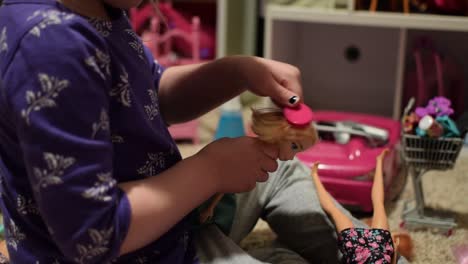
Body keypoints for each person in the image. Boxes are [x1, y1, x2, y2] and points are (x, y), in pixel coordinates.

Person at [0, 0, 408, 263]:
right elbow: (92, 234)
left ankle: (363, 250)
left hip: (171, 216)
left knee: (280, 172)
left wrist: (235, 72)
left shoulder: (101, 9)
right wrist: (210, 170)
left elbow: (148, 96)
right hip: (131, 250)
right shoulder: (54, 46)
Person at [311, 149, 400, 264]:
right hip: (379, 247)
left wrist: (394, 250)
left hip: (356, 249)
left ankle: (314, 176)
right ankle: (379, 161)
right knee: (378, 204)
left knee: (335, 211)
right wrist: (395, 250)